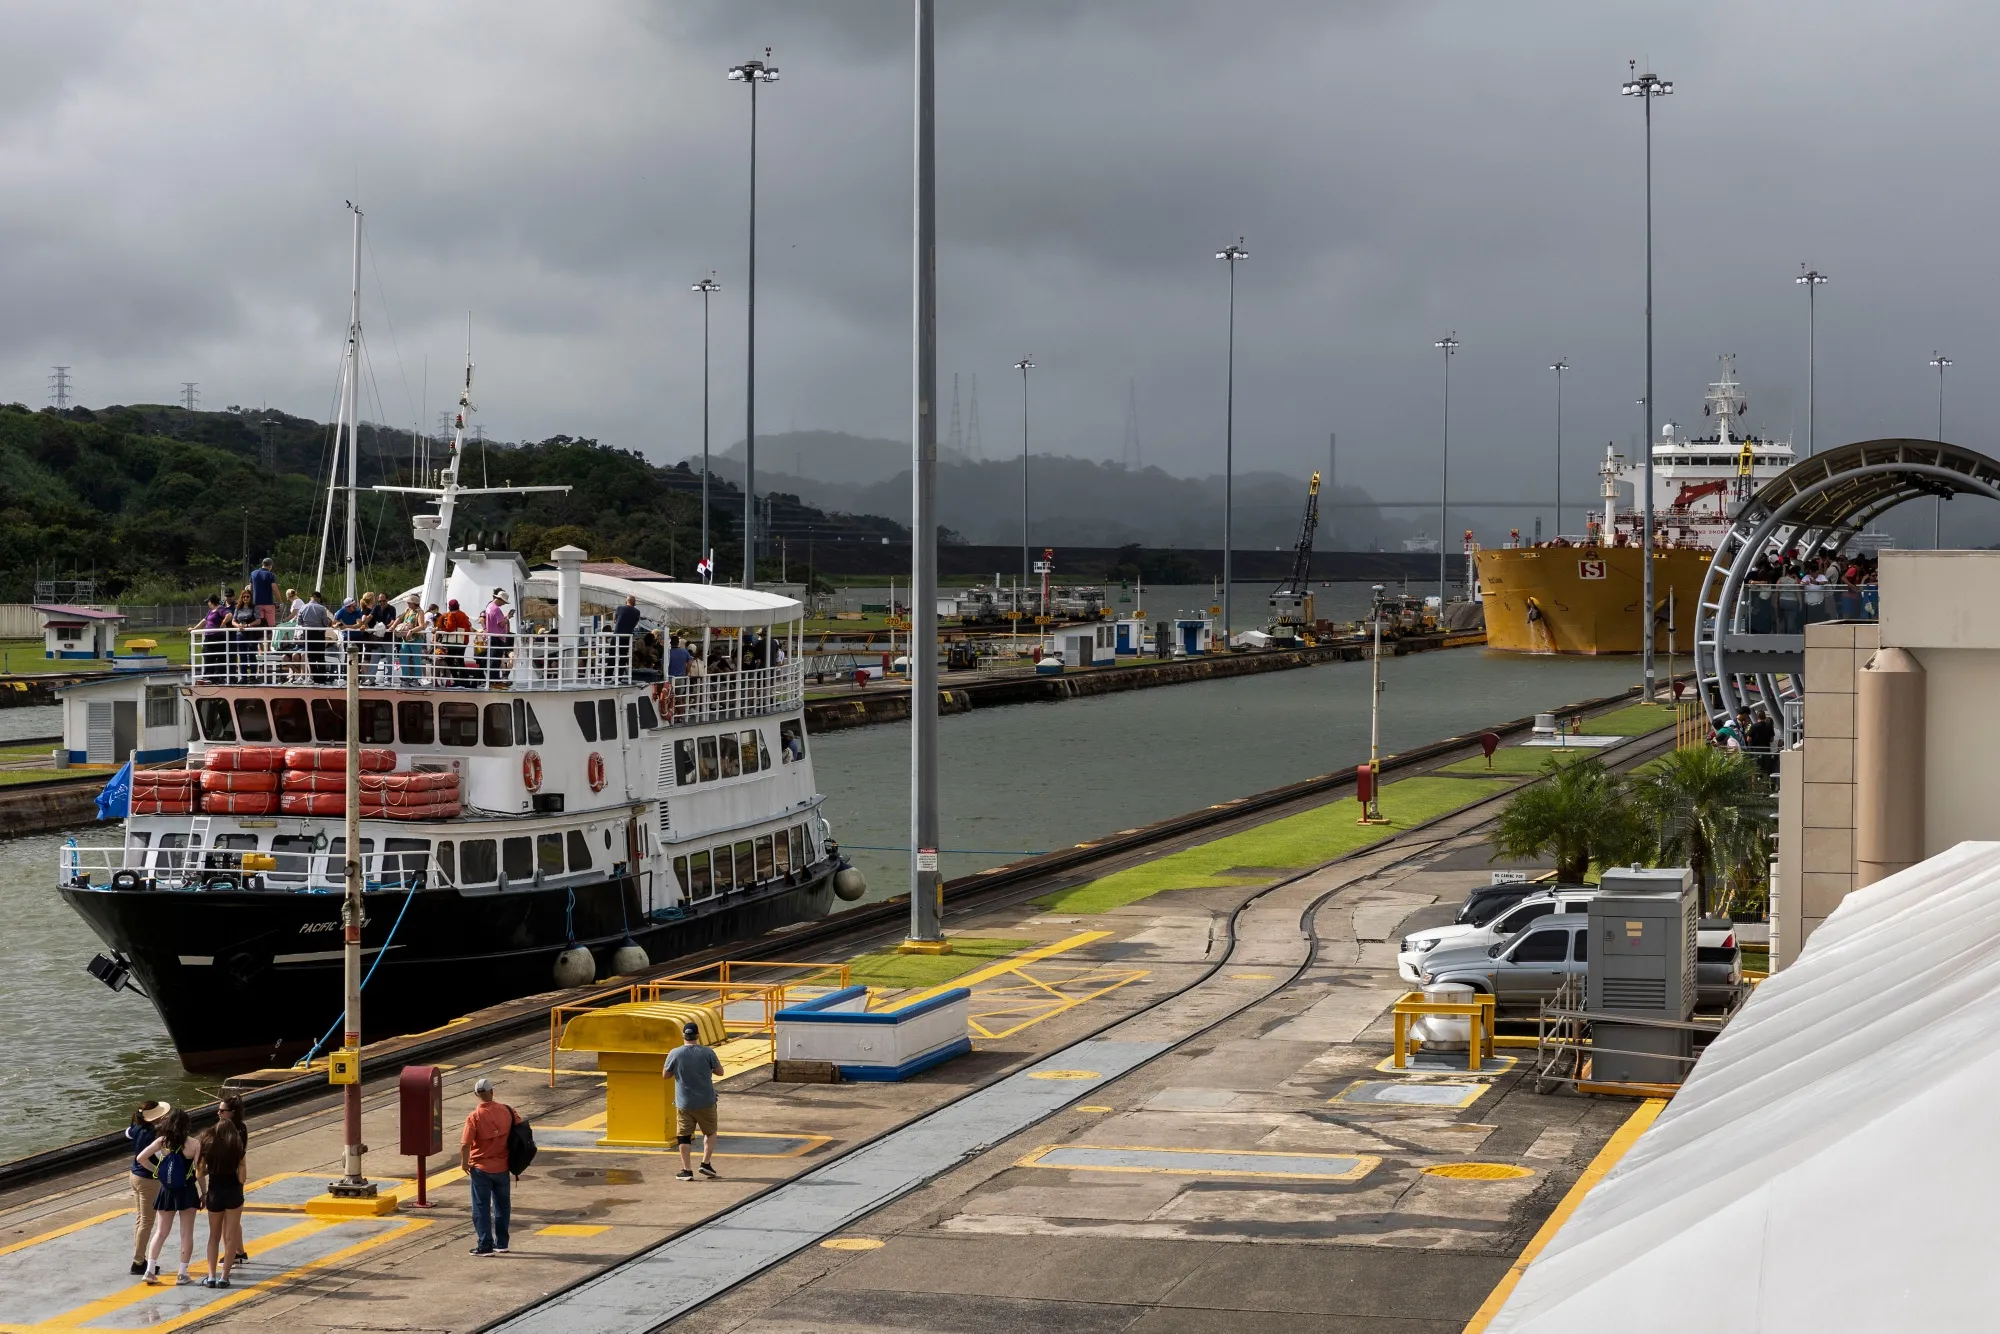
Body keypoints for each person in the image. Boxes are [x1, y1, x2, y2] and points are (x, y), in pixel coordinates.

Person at [137, 1109, 203, 1285]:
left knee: (161, 1232)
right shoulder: (195, 1144)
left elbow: (141, 1158)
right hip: (187, 1190)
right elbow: (199, 1171)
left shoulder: (162, 1142)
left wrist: (157, 1171)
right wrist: (204, 1192)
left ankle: (150, 1270)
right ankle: (182, 1274)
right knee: (186, 1233)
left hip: (167, 1191)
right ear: (186, 1125)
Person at [460, 1077, 515, 1256]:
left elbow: (465, 1144)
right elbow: (520, 1129)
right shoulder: (508, 1111)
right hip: (503, 1166)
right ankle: (502, 1243)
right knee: (502, 1206)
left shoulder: (474, 1117)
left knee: (481, 1207)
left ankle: (485, 1246)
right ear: (493, 1091)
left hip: (481, 1169)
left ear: (477, 1095)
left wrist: (464, 1162)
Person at [663, 1022, 724, 1182]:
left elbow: (665, 1075)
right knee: (710, 1132)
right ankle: (706, 1163)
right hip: (706, 1100)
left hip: (684, 1103)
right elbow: (720, 1072)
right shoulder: (707, 1052)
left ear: (683, 1036)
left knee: (684, 1136)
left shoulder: (675, 1053)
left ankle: (687, 1170)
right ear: (697, 1036)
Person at [124, 1100, 174, 1275]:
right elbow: (149, 1158)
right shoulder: (151, 1133)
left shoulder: (136, 1127)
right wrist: (159, 1171)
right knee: (147, 1222)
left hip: (134, 1177)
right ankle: (138, 1262)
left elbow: (128, 1133)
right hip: (147, 1180)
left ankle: (139, 1258)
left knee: (140, 1220)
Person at [198, 1117, 247, 1287]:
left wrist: (211, 1170)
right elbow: (242, 1178)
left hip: (214, 1193)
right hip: (233, 1193)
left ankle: (211, 1276)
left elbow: (199, 1173)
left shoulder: (209, 1148)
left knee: (214, 1236)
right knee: (231, 1236)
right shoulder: (237, 1149)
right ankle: (224, 1277)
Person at [296, 591, 335, 685]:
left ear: (310, 597)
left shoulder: (303, 607)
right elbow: (325, 623)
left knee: (310, 657)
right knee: (320, 657)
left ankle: (315, 678)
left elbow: (299, 622)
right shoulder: (322, 608)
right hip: (319, 634)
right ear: (318, 598)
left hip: (307, 634)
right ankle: (322, 678)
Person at [482, 589, 514, 688]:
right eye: (504, 602)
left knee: (493, 660)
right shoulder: (496, 609)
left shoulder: (489, 607)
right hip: (497, 637)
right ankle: (494, 681)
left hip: (491, 636)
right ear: (500, 599)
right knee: (495, 661)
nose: (504, 604)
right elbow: (500, 624)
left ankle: (493, 680)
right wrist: (508, 617)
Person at [229, 588, 261, 684]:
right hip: (240, 634)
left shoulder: (254, 607)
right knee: (242, 656)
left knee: (252, 655)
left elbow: (258, 620)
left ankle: (253, 677)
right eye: (244, 597)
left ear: (250, 597)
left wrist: (248, 625)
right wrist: (238, 626)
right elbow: (233, 620)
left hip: (251, 634)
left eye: (247, 596)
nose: (245, 598)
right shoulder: (238, 608)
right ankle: (243, 677)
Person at [249, 558, 279, 628]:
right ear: (270, 566)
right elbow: (274, 588)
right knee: (271, 625)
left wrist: (250, 601)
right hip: (268, 603)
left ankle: (261, 638)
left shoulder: (253, 573)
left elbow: (250, 589)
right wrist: (280, 601)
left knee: (260, 624)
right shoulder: (271, 574)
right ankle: (270, 637)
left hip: (256, 603)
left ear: (262, 564)